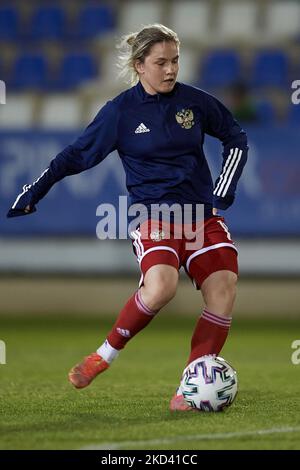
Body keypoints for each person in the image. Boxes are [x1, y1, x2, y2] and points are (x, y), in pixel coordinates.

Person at [7, 24, 248, 411]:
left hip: (201, 216)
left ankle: (189, 390)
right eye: (160, 63)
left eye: (175, 61)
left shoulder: (197, 103)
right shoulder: (120, 112)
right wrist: (35, 190)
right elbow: (75, 155)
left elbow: (235, 137)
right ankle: (104, 355)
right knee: (161, 287)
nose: (170, 70)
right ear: (139, 65)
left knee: (224, 289)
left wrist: (224, 190)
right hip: (153, 216)